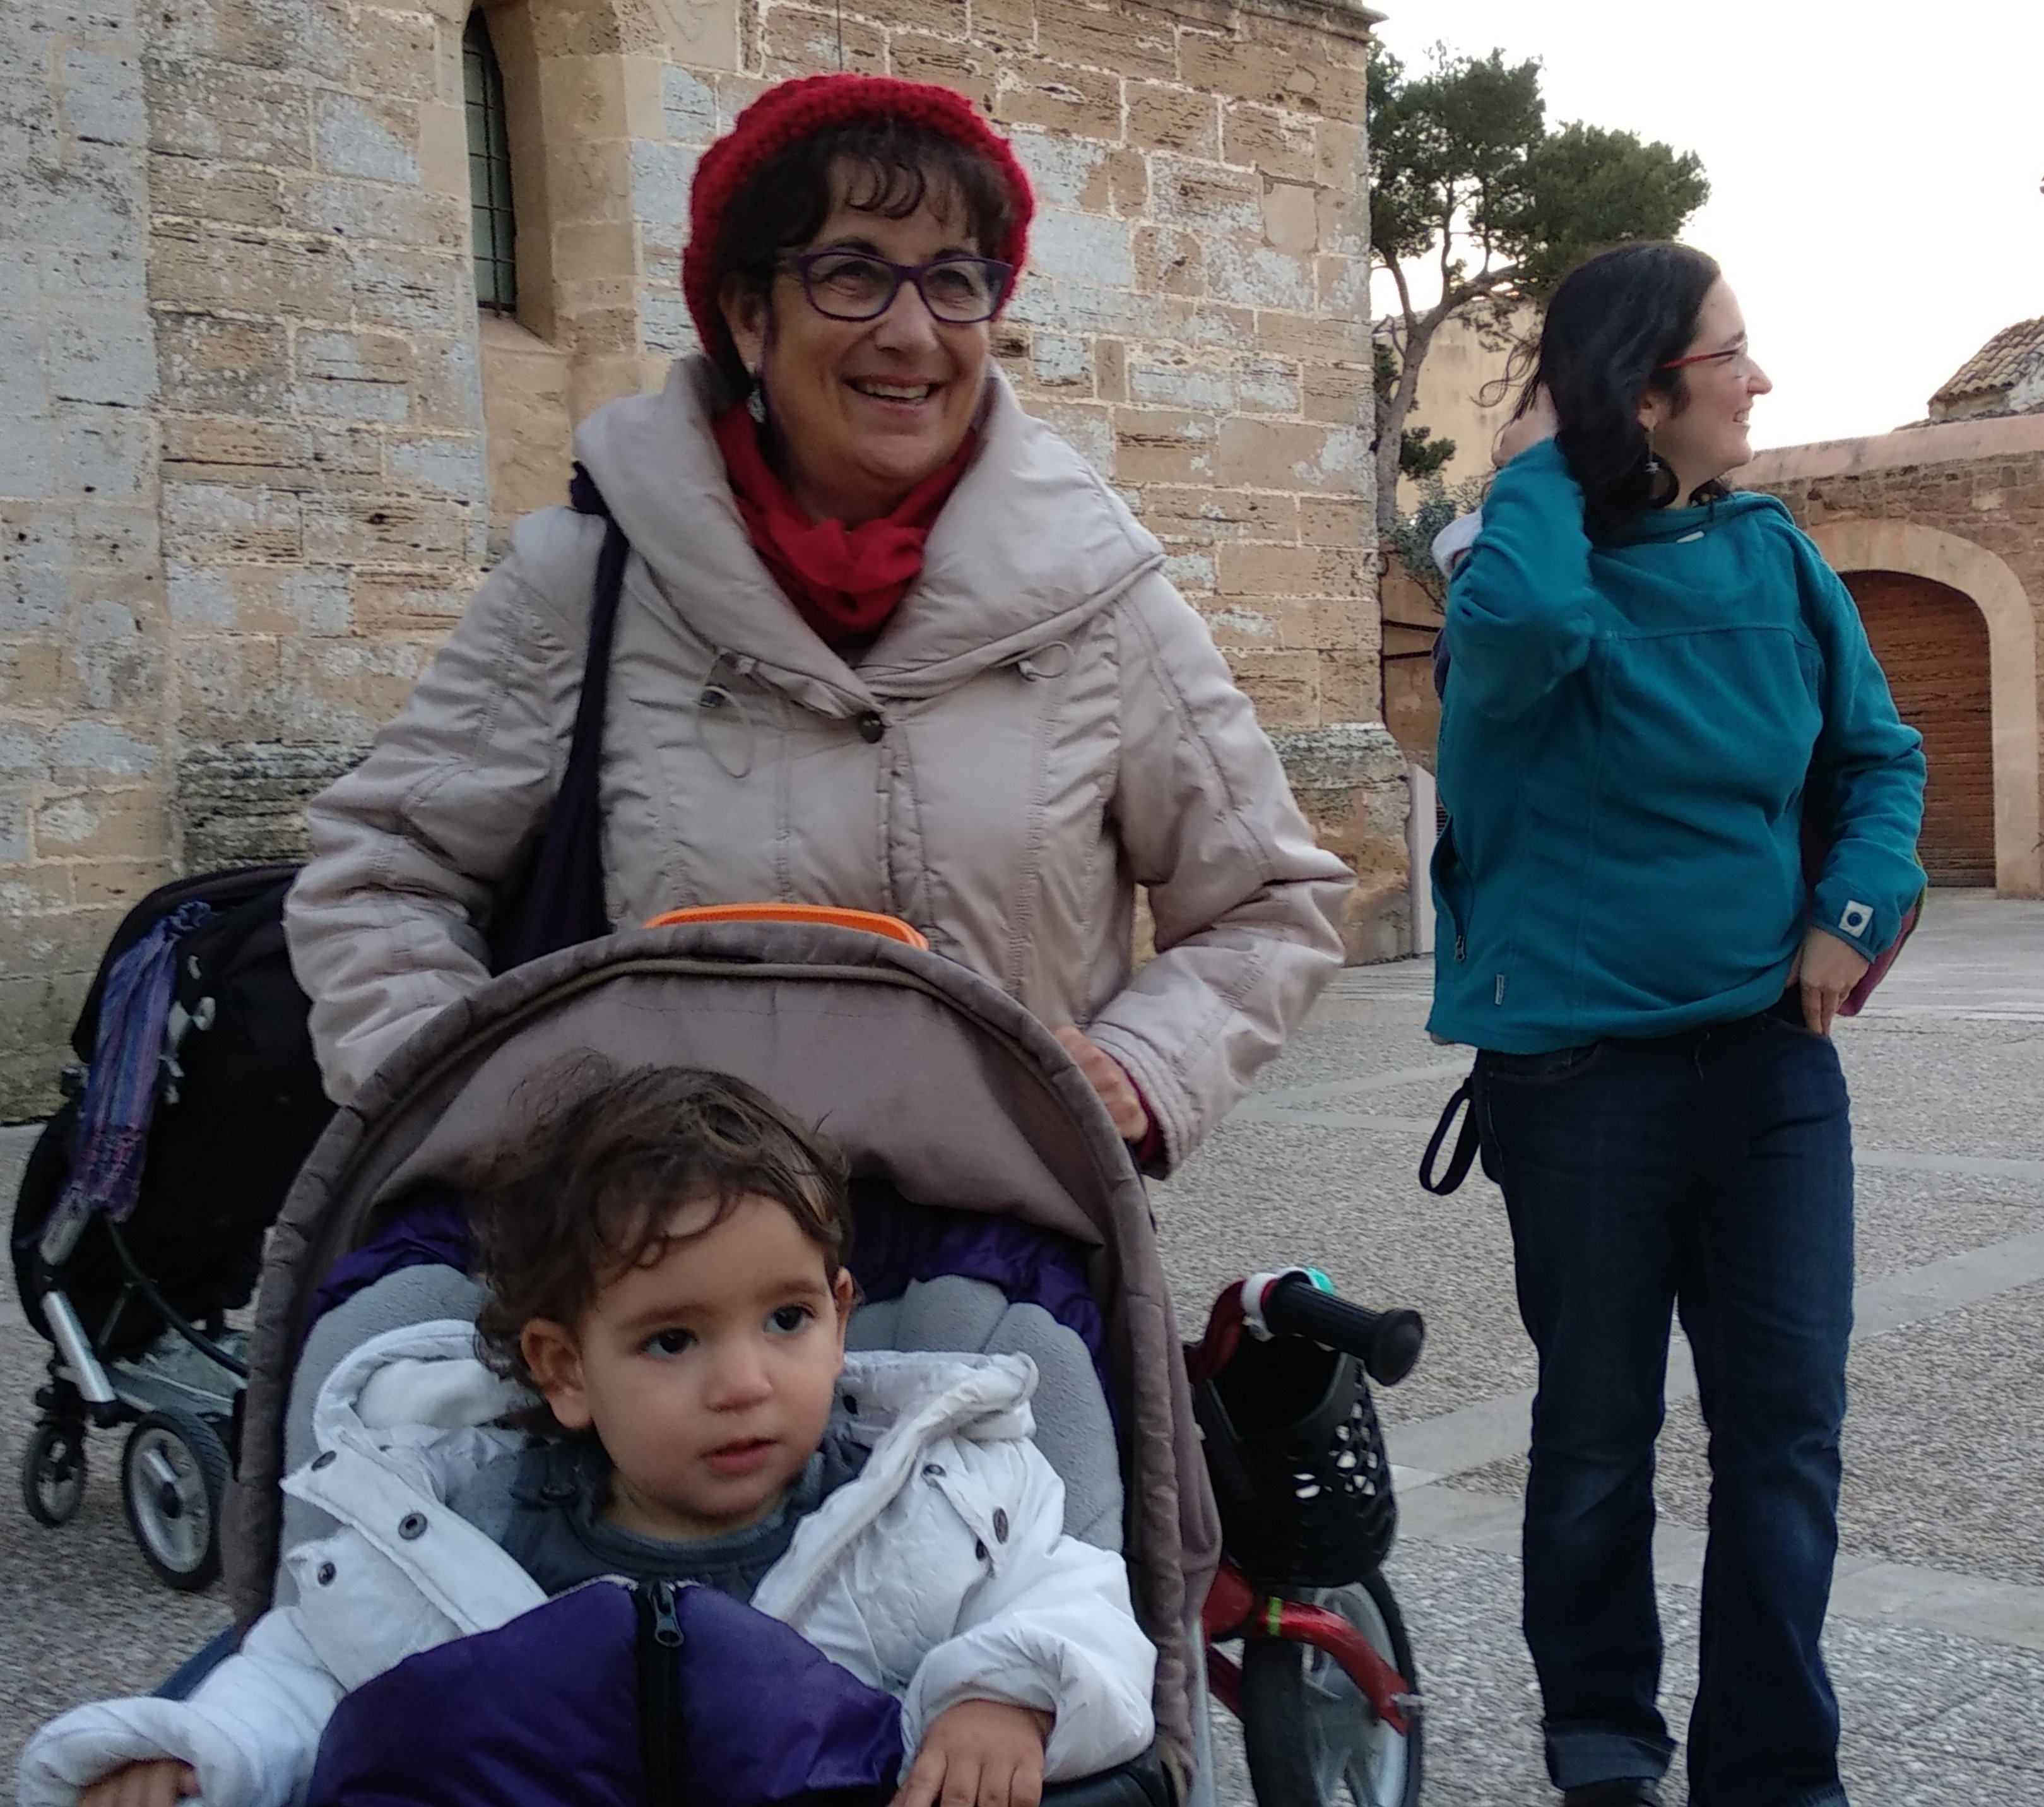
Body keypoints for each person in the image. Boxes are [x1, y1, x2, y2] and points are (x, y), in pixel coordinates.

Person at [283, 74, 1350, 1171]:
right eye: (852, 273)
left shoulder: (1098, 597)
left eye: (955, 280)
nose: (912, 332)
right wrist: (499, 1119)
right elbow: (383, 873)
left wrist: (1144, 1065)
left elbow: (1271, 898)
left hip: (1005, 1242)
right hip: (654, 1253)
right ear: (751, 314)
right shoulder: (587, 578)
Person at [20, 1065, 1156, 1807]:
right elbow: (309, 1678)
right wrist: (206, 1757)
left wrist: (1013, 1693)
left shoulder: (943, 1504)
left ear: (842, 1315)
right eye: (673, 1340)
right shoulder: (452, 1536)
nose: (744, 1384)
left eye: (788, 1320)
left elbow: (1080, 1607)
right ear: (564, 1370)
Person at [1432, 243, 1939, 1807]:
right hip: (1577, 1076)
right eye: (1732, 354)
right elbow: (1522, 637)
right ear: (1646, 392)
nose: (1759, 380)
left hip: (1769, 1067)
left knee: (1785, 1432)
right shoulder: (1516, 577)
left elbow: (1878, 758)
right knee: (1595, 1433)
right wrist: (1536, 463)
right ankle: (1602, 1742)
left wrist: (1850, 916)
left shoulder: (1775, 555)